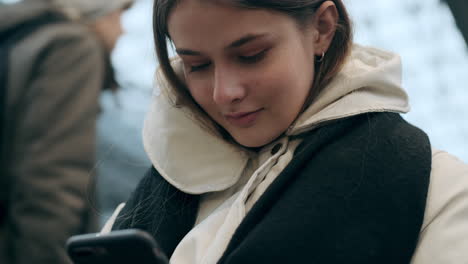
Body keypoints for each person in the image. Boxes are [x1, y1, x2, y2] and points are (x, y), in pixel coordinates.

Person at [105, 0, 468, 263]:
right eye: (196, 65)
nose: (223, 92)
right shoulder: (160, 189)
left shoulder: (441, 191)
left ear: (322, 29)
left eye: (252, 55)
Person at [0, 0, 132, 263]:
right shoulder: (70, 46)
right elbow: (50, 185)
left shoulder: (16, 37)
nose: (122, 30)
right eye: (119, 13)